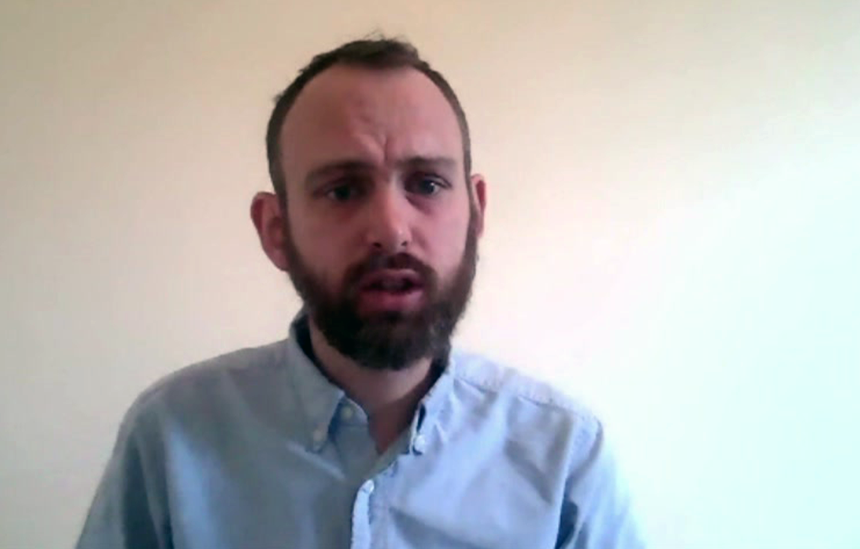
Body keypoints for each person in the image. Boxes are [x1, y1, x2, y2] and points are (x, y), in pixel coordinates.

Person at [76, 37, 644, 549]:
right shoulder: (170, 438)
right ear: (276, 230)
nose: (391, 228)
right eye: (343, 190)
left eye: (426, 184)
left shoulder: (564, 456)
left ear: (475, 212)